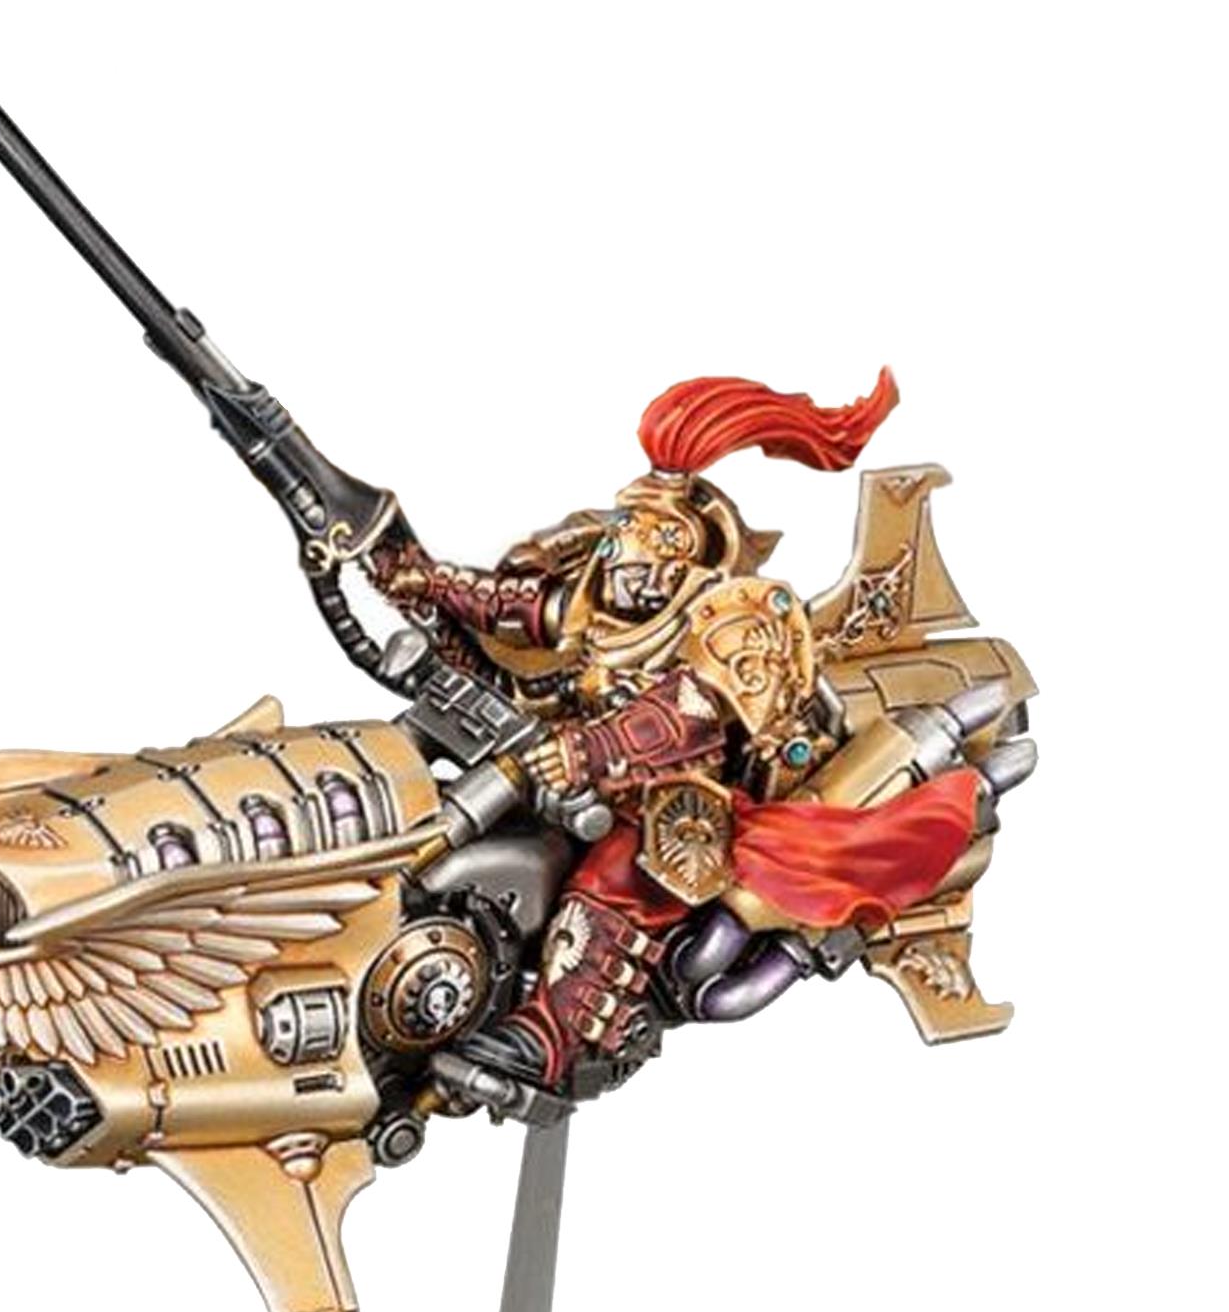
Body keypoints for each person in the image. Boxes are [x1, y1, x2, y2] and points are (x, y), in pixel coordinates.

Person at [367, 370, 983, 1091]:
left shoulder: (737, 616)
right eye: (626, 541)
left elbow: (682, 717)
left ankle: (554, 1037)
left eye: (654, 546)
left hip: (686, 801)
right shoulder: (602, 594)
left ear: (689, 553)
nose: (631, 567)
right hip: (561, 764)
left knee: (614, 879)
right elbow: (511, 607)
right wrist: (426, 582)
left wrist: (586, 750)